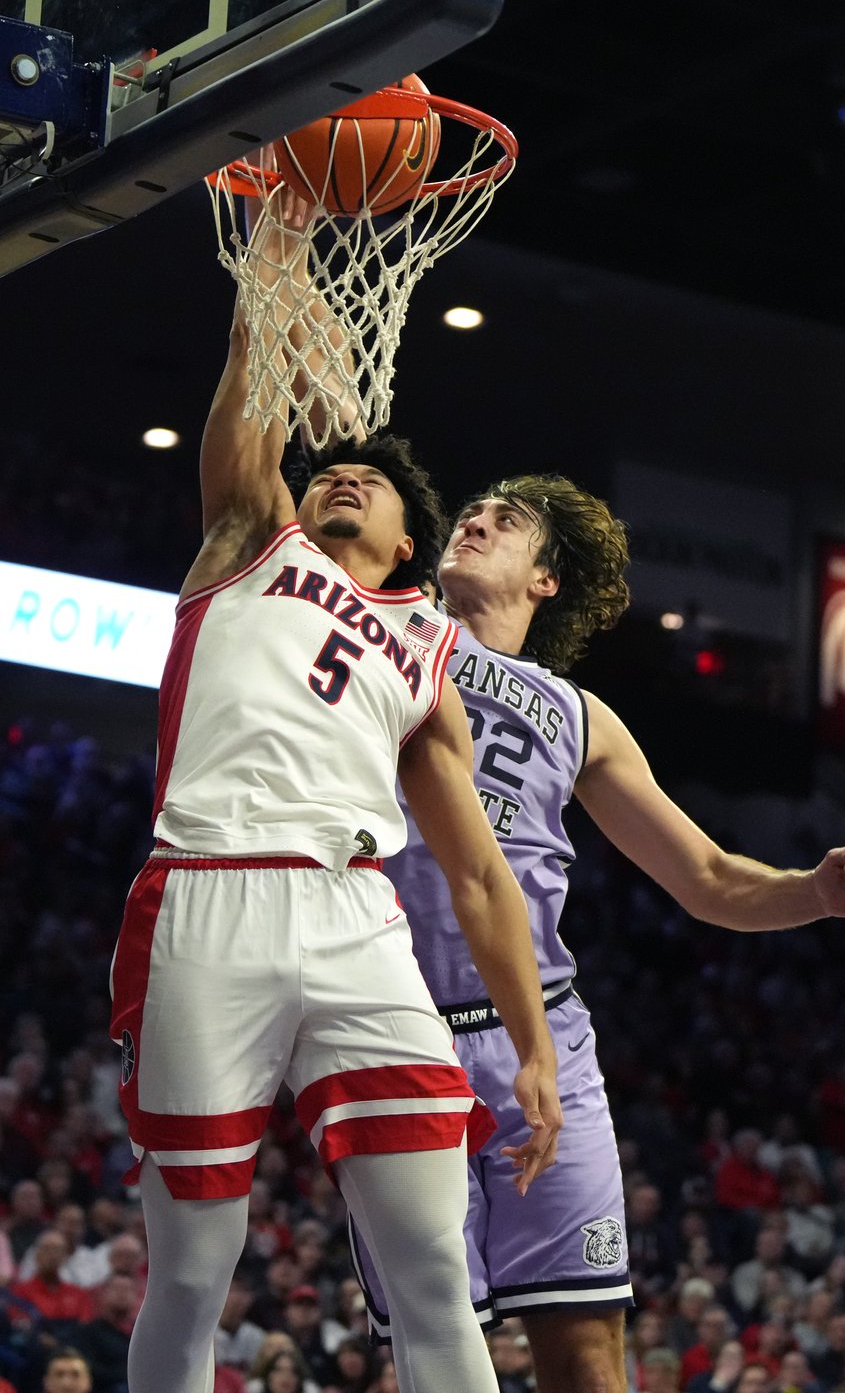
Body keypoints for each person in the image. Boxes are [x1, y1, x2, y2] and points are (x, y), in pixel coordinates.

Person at [107, 247, 562, 1393]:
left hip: (357, 917)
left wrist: (535, 1048)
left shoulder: (426, 651)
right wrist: (279, 242)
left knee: (432, 1264)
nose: (344, 479)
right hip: (210, 889)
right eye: (330, 475)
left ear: (410, 543)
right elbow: (253, 384)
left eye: (371, 480)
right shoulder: (249, 538)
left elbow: (479, 877)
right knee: (193, 1268)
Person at [348, 471, 845, 1393]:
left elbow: (708, 878)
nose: (473, 521)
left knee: (588, 1358)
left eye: (505, 521)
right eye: (471, 513)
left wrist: (811, 893)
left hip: (542, 1038)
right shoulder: (378, 635)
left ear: (546, 579)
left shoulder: (580, 716)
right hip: (396, 1028)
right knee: (438, 1349)